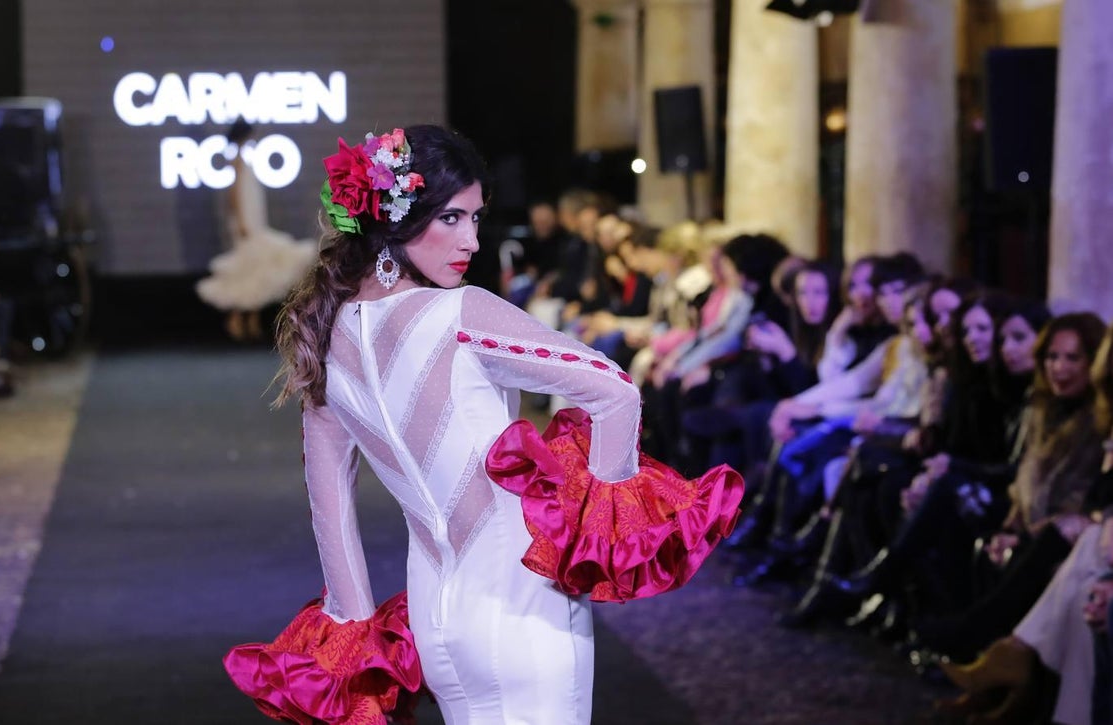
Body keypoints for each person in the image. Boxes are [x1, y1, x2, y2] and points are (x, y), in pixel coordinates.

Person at [222, 125, 743, 725]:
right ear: (396, 219)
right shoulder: (461, 311)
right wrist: (589, 536)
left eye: (476, 218)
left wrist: (354, 624)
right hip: (525, 600)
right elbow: (617, 393)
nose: (470, 239)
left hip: (434, 613)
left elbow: (329, 505)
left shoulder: (327, 336)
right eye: (451, 218)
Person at [196, 119, 317, 341]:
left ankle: (247, 320)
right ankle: (237, 320)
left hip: (252, 220)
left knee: (255, 269)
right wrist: (241, 220)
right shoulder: (237, 161)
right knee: (250, 267)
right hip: (246, 223)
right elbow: (234, 194)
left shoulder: (241, 159)